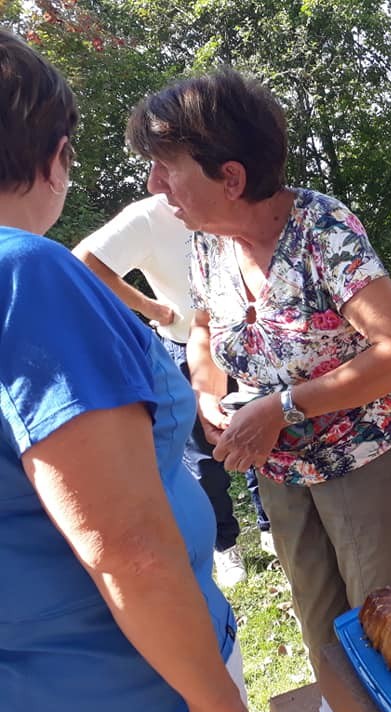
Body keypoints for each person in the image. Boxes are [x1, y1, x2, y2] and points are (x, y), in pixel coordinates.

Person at [125, 69, 391, 675]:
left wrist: (282, 407)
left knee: (387, 626)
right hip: (279, 466)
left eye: (167, 166)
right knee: (321, 628)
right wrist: (208, 392)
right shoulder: (206, 239)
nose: (155, 184)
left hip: (363, 458)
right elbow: (207, 330)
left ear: (231, 178)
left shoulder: (323, 231)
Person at [0, 29, 251, 712]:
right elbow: (129, 552)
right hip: (128, 689)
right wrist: (221, 706)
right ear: (55, 157)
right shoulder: (26, 275)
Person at [73, 196, 273, 587]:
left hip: (247, 338)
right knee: (203, 457)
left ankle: (271, 527)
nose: (158, 179)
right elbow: (84, 262)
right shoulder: (147, 216)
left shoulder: (231, 194)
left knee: (259, 432)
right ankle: (225, 547)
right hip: (186, 346)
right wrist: (148, 306)